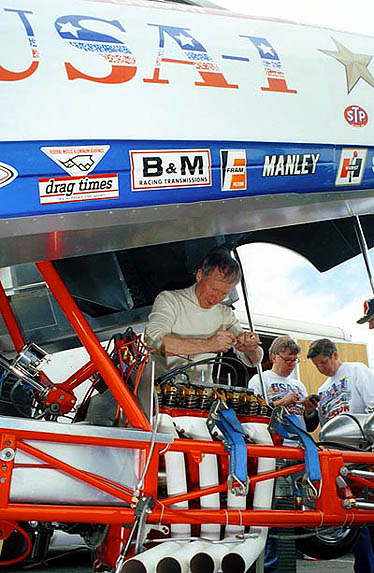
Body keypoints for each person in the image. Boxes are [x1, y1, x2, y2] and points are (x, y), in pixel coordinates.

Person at [249, 336, 318, 573]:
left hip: (299, 452)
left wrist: (309, 411)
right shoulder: (259, 380)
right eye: (287, 359)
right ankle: (270, 566)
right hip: (273, 452)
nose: (291, 364)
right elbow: (252, 416)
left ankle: (288, 563)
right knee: (273, 510)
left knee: (296, 510)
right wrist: (279, 402)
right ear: (273, 357)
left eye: (294, 360)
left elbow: (308, 425)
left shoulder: (299, 385)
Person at [144, 247, 263, 383]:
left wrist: (250, 347)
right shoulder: (170, 300)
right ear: (199, 275)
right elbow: (154, 340)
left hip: (203, 395)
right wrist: (209, 344)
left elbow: (254, 361)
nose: (216, 297)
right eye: (213, 289)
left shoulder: (225, 315)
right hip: (161, 390)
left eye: (224, 293)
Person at [307, 337, 374, 573]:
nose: (321, 368)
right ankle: (365, 567)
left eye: (324, 362)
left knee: (367, 512)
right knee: (353, 513)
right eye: (317, 365)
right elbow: (323, 424)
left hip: (362, 449)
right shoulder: (324, 388)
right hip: (338, 456)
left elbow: (373, 406)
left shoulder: (357, 370)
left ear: (335, 354)